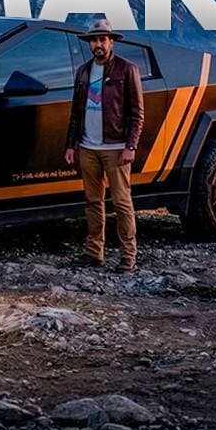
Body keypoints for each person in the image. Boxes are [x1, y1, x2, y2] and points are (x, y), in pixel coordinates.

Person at [64, 18, 144, 272]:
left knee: (121, 202)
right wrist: (70, 145)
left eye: (102, 39)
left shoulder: (126, 70)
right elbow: (75, 113)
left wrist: (130, 145)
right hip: (88, 147)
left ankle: (128, 256)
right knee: (92, 201)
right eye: (94, 40)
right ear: (89, 44)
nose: (98, 44)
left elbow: (136, 113)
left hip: (115, 147)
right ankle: (93, 252)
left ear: (111, 41)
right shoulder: (83, 72)